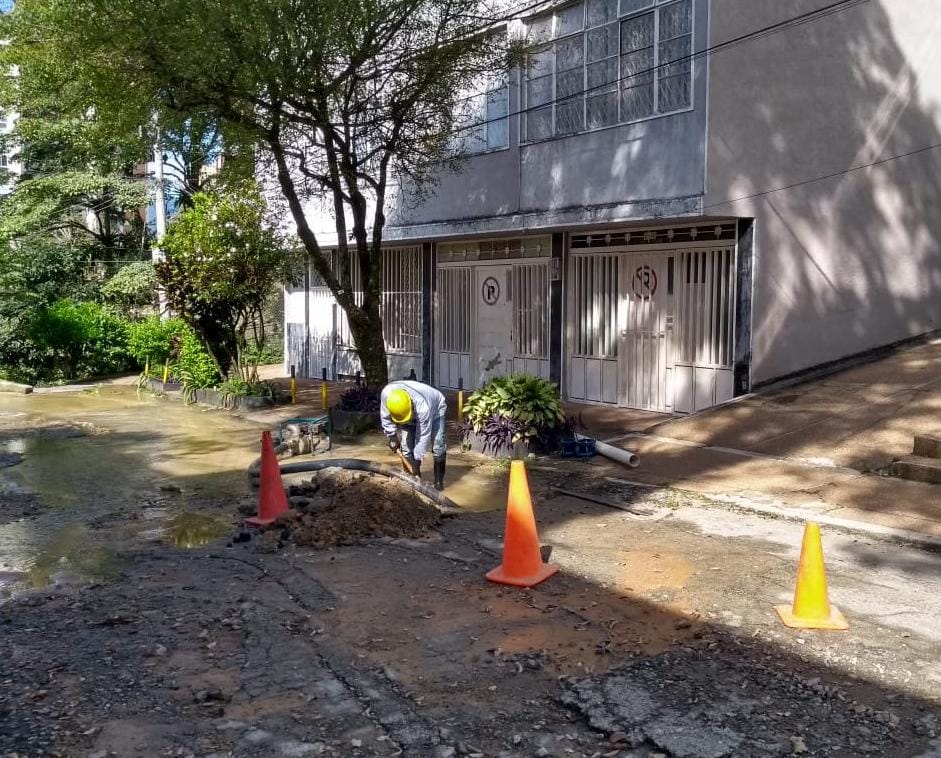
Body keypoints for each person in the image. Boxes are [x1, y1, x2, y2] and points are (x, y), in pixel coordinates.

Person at [380, 379, 447, 491]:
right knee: (406, 448)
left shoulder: (424, 407)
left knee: (438, 444)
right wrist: (392, 436)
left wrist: (417, 460)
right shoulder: (387, 395)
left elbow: (422, 437)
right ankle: (412, 481)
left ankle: (438, 484)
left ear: (411, 404)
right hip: (408, 413)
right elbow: (385, 417)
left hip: (436, 409)